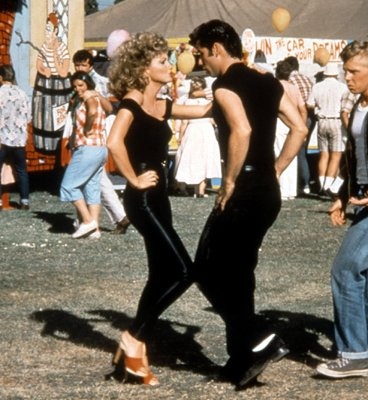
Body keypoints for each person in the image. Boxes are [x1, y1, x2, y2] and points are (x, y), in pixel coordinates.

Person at [189, 20, 308, 389]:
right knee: (240, 273)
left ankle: (260, 335)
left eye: (200, 54)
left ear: (216, 48)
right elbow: (300, 128)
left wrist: (228, 182)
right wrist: (277, 168)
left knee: (207, 268)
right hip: (266, 189)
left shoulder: (225, 84)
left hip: (243, 188)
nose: (200, 62)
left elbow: (241, 130)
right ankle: (243, 359)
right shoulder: (268, 82)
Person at [106, 32, 212, 386]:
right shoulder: (131, 103)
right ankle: (134, 336)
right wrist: (134, 179)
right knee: (184, 271)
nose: (169, 66)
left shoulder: (162, 103)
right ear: (142, 69)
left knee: (160, 274)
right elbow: (113, 142)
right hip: (143, 200)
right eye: (162, 61)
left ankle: (134, 356)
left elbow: (205, 110)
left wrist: (232, 84)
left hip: (160, 200)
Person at [316, 40, 368, 379]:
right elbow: (356, 159)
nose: (348, 76)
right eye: (346, 70)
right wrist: (342, 195)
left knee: (345, 272)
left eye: (355, 71)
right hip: (364, 200)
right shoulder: (358, 105)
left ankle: (353, 353)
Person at [72, 49, 130, 234]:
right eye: (78, 64)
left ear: (90, 65)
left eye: (83, 64)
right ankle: (114, 216)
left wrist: (95, 97)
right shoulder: (77, 81)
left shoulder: (97, 82)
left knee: (85, 178)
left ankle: (88, 220)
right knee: (95, 177)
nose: (80, 67)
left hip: (94, 136)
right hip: (84, 136)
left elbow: (109, 108)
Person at [60, 71, 107, 239]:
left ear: (88, 84)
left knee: (68, 186)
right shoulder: (95, 96)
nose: (78, 89)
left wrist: (87, 128)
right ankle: (95, 229)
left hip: (87, 148)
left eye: (81, 85)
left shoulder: (88, 97)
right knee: (92, 188)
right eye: (75, 86)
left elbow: (93, 112)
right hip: (100, 147)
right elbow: (106, 109)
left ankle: (87, 222)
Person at [174, 76, 222, 198]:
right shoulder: (208, 103)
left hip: (195, 130)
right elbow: (213, 120)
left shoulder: (188, 103)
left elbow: (185, 121)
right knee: (204, 158)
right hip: (204, 130)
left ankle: (191, 189)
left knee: (194, 158)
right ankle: (200, 191)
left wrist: (181, 135)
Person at [306, 63, 348, 197]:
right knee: (336, 155)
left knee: (324, 154)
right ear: (336, 74)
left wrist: (317, 109)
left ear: (325, 74)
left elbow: (309, 103)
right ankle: (328, 186)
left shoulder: (317, 87)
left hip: (321, 121)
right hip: (336, 121)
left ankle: (321, 184)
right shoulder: (342, 87)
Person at [32, 12, 72, 152]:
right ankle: (42, 144)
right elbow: (38, 64)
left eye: (49, 30)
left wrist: (55, 55)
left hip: (59, 88)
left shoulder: (62, 49)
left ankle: (58, 146)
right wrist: (44, 71)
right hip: (44, 84)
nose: (46, 33)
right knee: (43, 115)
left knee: (57, 117)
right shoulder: (44, 47)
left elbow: (63, 73)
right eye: (45, 29)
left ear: (55, 31)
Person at [275, 60, 307, 200]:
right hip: (294, 120)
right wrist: (302, 125)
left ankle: (281, 189)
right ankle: (290, 190)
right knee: (291, 155)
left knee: (279, 153)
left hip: (280, 121)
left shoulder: (275, 86)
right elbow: (303, 109)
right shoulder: (294, 88)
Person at [0, 65, 31, 210]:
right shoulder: (22, 93)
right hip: (19, 139)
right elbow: (28, 117)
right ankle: (24, 200)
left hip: (2, 138)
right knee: (21, 171)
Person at [284, 55, 313, 195]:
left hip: (295, 117)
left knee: (295, 150)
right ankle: (307, 182)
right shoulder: (307, 79)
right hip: (309, 117)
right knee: (304, 151)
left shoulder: (290, 82)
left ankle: (302, 182)